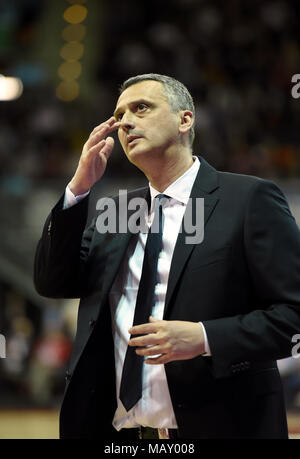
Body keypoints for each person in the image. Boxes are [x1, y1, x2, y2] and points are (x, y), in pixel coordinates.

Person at [34, 74, 300, 439]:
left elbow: (293, 317)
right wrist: (78, 190)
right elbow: (53, 281)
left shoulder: (249, 199)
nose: (125, 121)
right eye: (120, 114)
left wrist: (205, 337)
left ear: (184, 119)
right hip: (119, 434)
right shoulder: (117, 211)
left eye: (141, 108)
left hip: (223, 426)